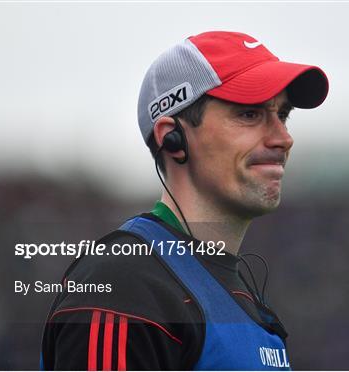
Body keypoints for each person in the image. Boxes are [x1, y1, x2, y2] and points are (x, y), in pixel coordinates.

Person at [40, 30, 328, 370]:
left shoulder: (233, 291)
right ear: (172, 139)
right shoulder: (125, 286)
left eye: (282, 115)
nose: (284, 138)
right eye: (249, 114)